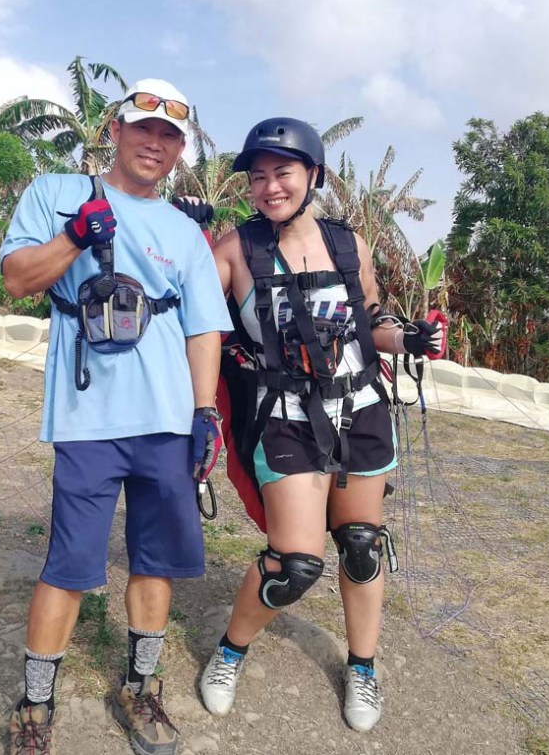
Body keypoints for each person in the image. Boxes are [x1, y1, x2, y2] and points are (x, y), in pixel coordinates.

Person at [0, 79, 232, 755]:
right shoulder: (56, 193)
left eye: (169, 136)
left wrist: (205, 412)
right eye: (142, 129)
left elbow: (202, 329)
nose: (154, 144)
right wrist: (76, 235)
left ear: (180, 148)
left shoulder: (184, 230)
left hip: (165, 418)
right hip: (87, 416)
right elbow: (18, 278)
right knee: (69, 563)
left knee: (154, 561)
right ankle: (35, 706)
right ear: (115, 128)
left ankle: (140, 687)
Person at [191, 118, 443, 733]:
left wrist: (406, 335)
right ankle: (230, 651)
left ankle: (363, 664)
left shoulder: (347, 244)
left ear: (313, 176)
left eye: (282, 172)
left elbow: (369, 320)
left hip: (359, 411)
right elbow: (192, 314)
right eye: (257, 177)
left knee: (361, 546)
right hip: (284, 420)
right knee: (294, 564)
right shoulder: (234, 249)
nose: (269, 186)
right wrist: (182, 230)